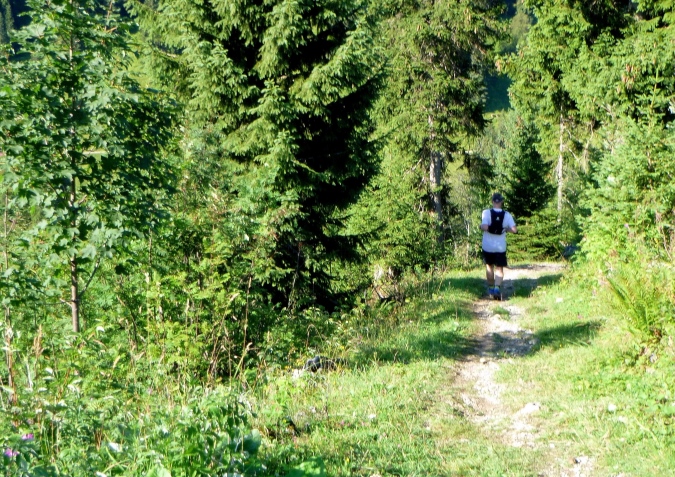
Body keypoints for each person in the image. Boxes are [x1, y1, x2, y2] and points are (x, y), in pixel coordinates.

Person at [480, 192, 517, 299]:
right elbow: (514, 230)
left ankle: (491, 289)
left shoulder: (486, 212)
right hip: (500, 246)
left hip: (488, 245)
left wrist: (480, 226)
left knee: (489, 267)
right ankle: (497, 288)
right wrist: (505, 229)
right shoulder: (507, 215)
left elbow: (485, 227)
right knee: (499, 268)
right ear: (501, 202)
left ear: (492, 201)